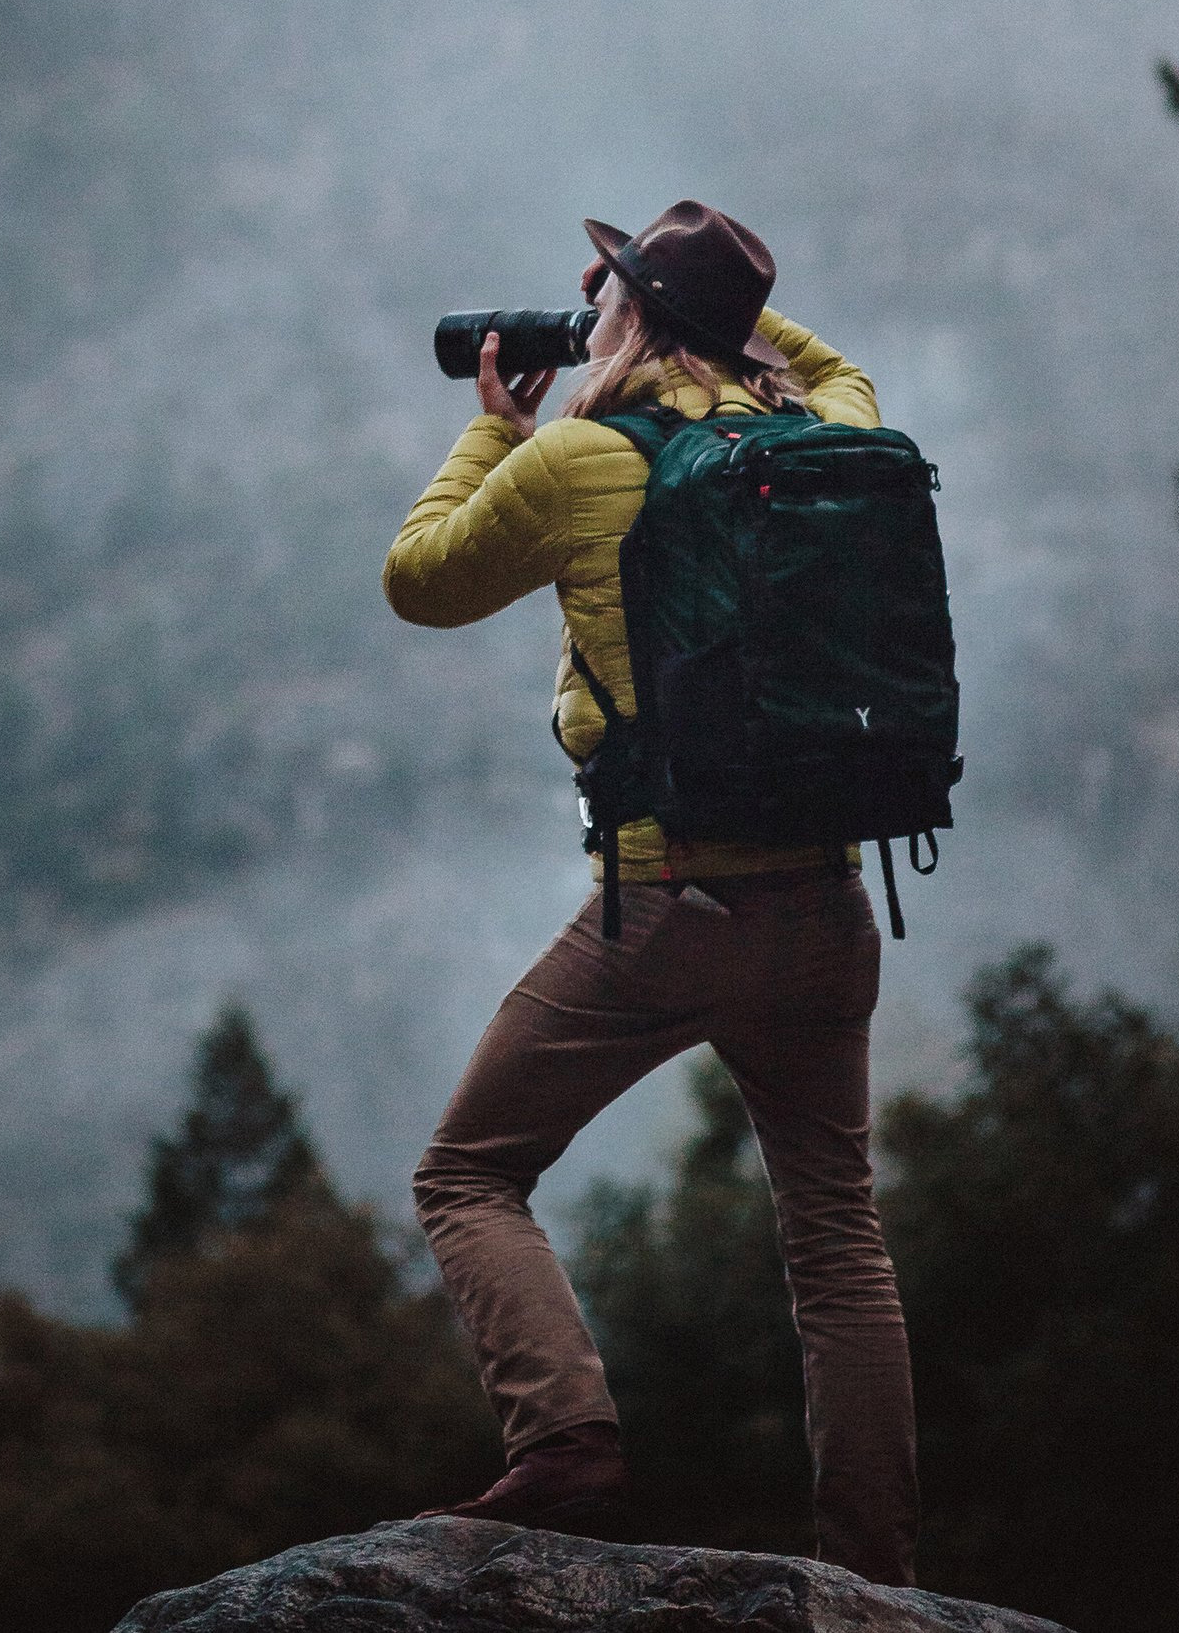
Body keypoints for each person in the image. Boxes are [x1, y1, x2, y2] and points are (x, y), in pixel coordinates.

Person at [385, 200, 918, 1587]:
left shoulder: (577, 461)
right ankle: (876, 1573)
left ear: (630, 317)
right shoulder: (840, 425)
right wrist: (723, 321)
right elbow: (825, 353)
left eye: (617, 295)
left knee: (468, 1173)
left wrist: (496, 423)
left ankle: (565, 1436)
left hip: (669, 910)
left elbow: (419, 580)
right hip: (829, 908)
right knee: (838, 1235)